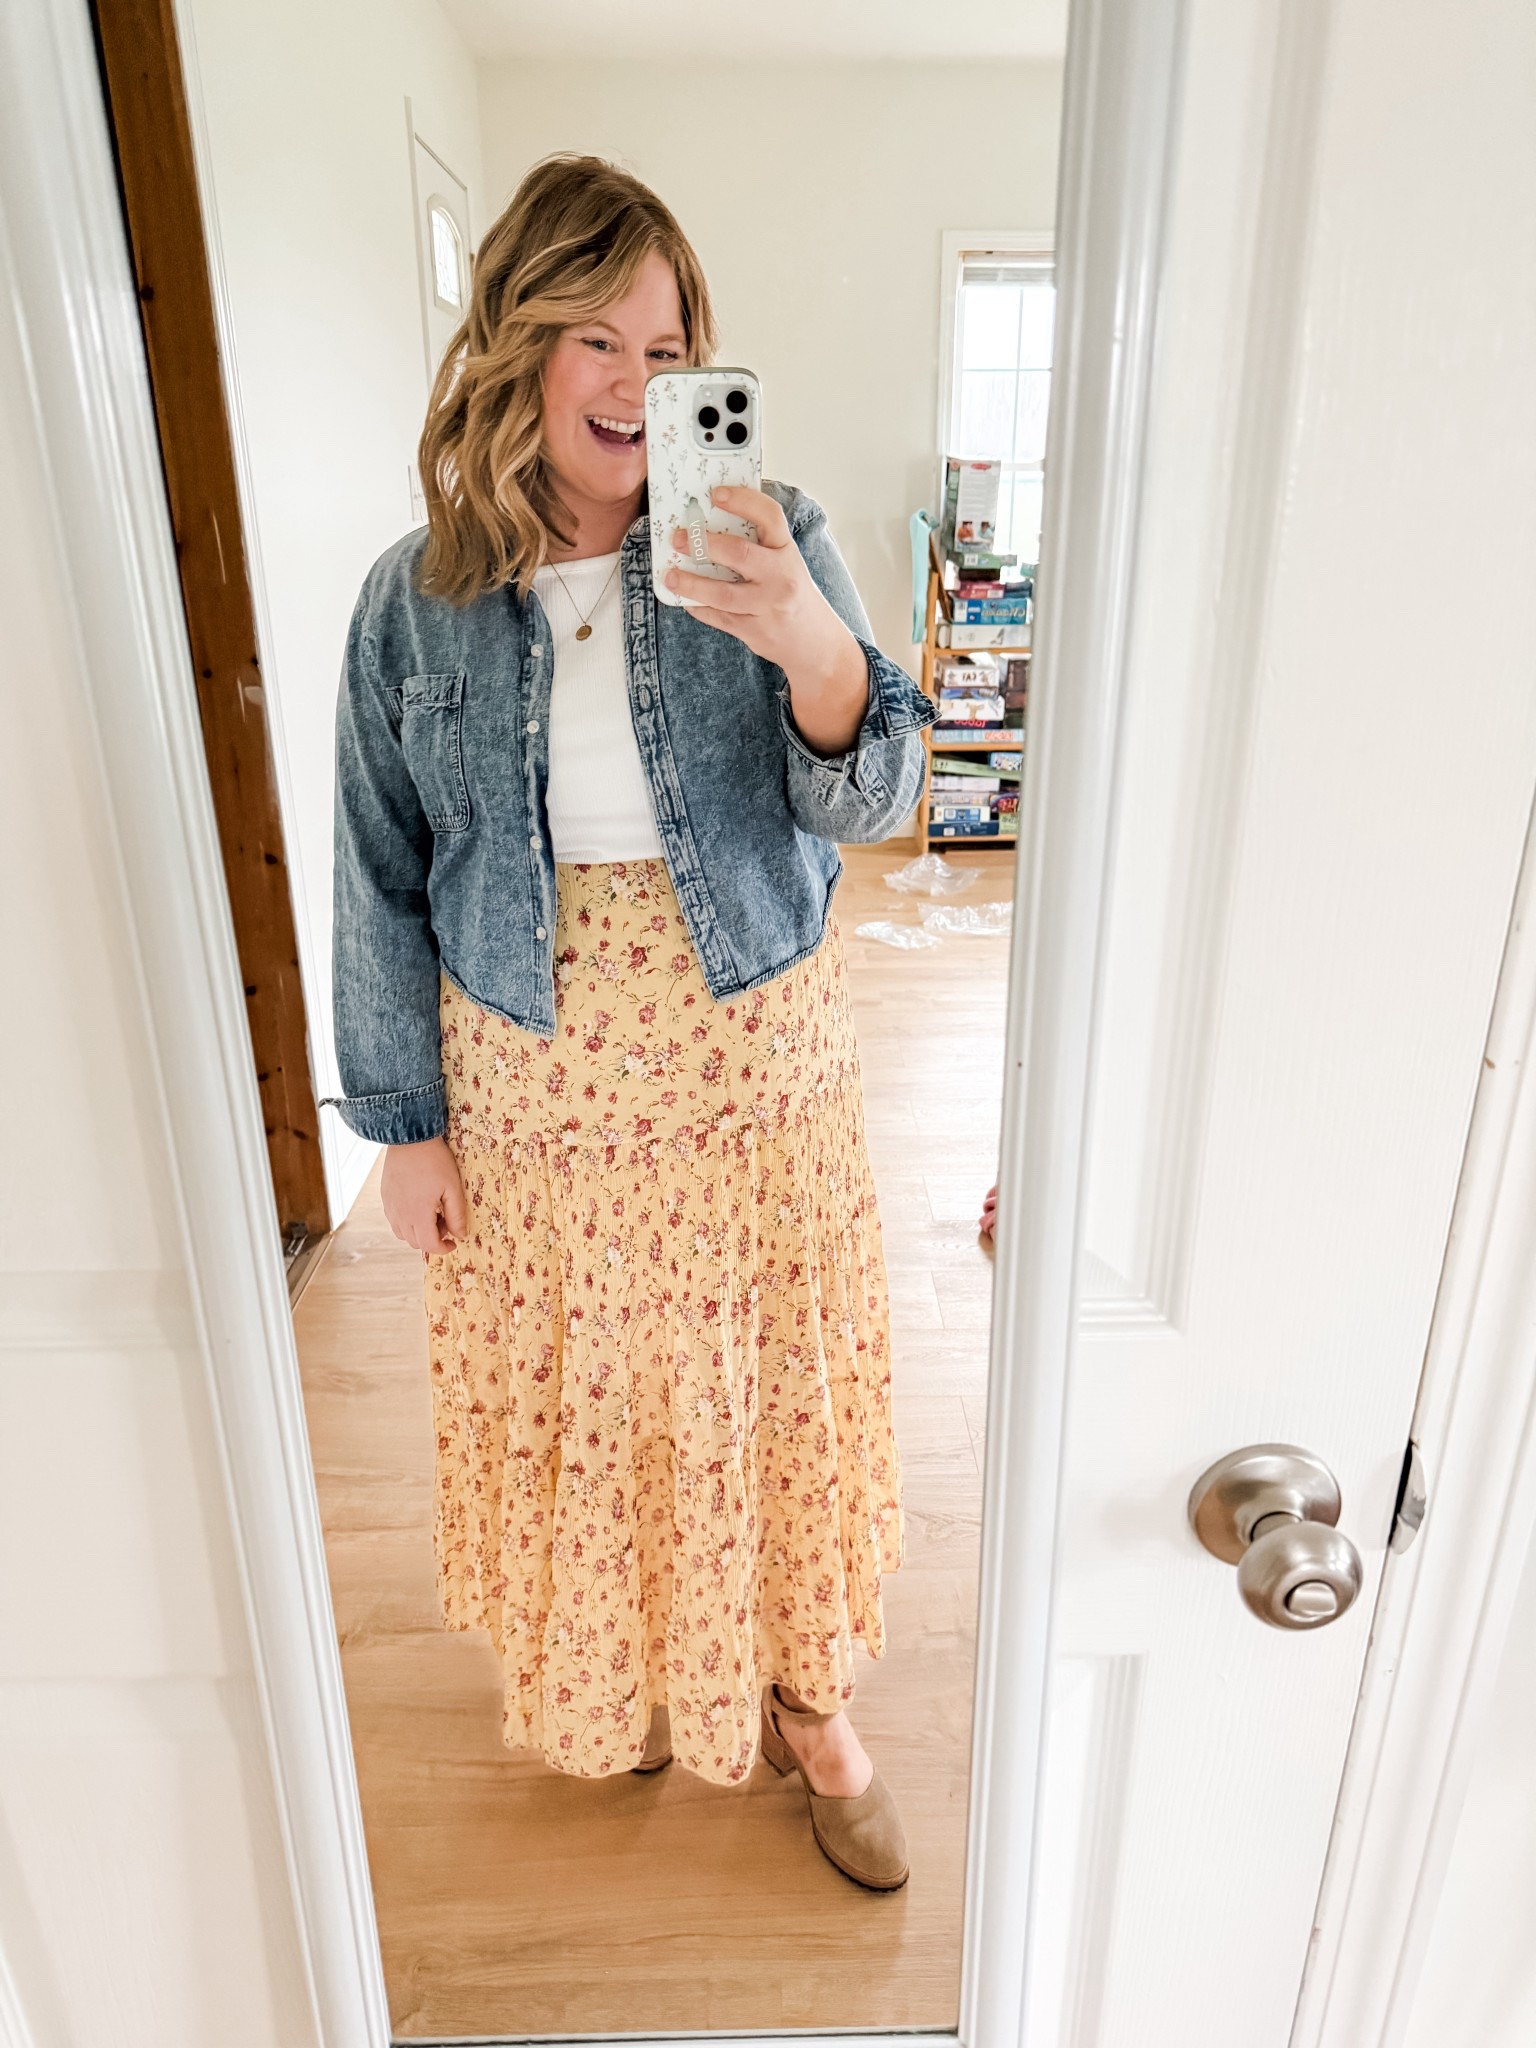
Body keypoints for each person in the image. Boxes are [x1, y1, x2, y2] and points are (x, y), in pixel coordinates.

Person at [324, 153, 937, 1893]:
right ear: (514, 348)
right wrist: (404, 1122)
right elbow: (380, 865)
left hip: (751, 1054)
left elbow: (877, 797)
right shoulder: (412, 599)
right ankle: (651, 1669)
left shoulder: (771, 531)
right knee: (601, 1401)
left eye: (666, 344)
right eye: (592, 335)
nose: (634, 379)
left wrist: (812, 640)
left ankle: (811, 1705)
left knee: (766, 1389)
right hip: (533, 1072)